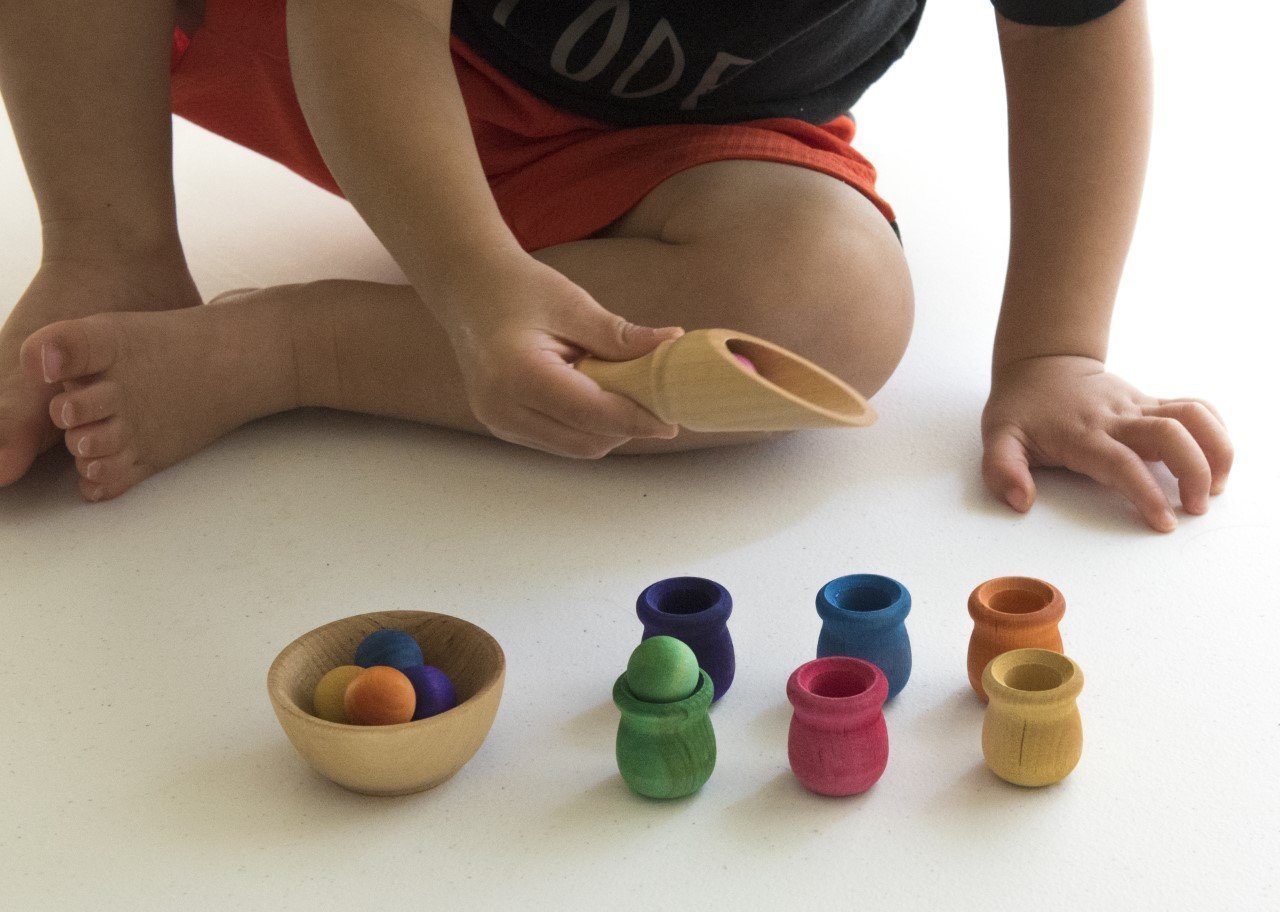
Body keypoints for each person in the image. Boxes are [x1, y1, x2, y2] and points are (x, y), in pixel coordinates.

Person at [0, 0, 1232, 530]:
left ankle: (293, 347)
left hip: (648, 151)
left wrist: (1053, 350)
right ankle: (107, 253)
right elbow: (366, 21)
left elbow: (1072, 33)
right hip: (357, 58)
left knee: (829, 302)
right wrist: (470, 276)